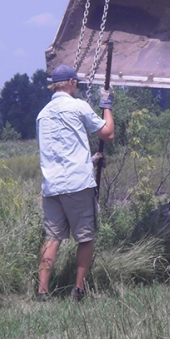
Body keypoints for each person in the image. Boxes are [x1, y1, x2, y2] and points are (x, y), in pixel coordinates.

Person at [36, 64, 114, 302]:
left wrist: (89, 160)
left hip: (51, 187)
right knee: (85, 237)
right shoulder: (77, 106)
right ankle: (78, 291)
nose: (77, 87)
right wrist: (107, 105)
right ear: (70, 82)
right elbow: (108, 133)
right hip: (78, 186)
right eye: (77, 83)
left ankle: (42, 293)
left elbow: (59, 151)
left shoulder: (42, 115)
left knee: (52, 238)